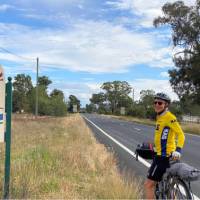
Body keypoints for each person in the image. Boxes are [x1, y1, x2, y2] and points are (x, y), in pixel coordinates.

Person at [144, 92, 185, 199]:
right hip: (163, 153)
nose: (157, 105)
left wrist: (178, 150)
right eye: (155, 102)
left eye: (160, 103)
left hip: (164, 156)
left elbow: (180, 134)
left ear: (166, 105)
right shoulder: (160, 117)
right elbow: (163, 136)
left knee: (149, 185)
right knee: (168, 185)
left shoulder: (169, 117)